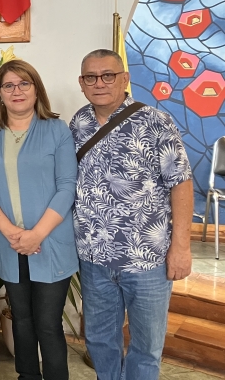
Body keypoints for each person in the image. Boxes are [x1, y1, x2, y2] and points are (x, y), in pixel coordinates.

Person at [70, 49, 193, 380]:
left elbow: (180, 183)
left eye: (108, 75)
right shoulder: (79, 123)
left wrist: (181, 247)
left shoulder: (154, 121)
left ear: (124, 78)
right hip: (94, 258)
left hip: (146, 258)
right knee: (99, 340)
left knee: (146, 346)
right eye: (91, 77)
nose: (100, 83)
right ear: (82, 83)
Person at [0, 60, 78, 380]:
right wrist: (10, 232)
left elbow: (67, 186)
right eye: (8, 85)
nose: (16, 91)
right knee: (20, 318)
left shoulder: (57, 130)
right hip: (8, 243)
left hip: (49, 242)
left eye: (24, 84)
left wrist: (36, 234)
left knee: (48, 324)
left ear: (37, 90)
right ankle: (27, 376)